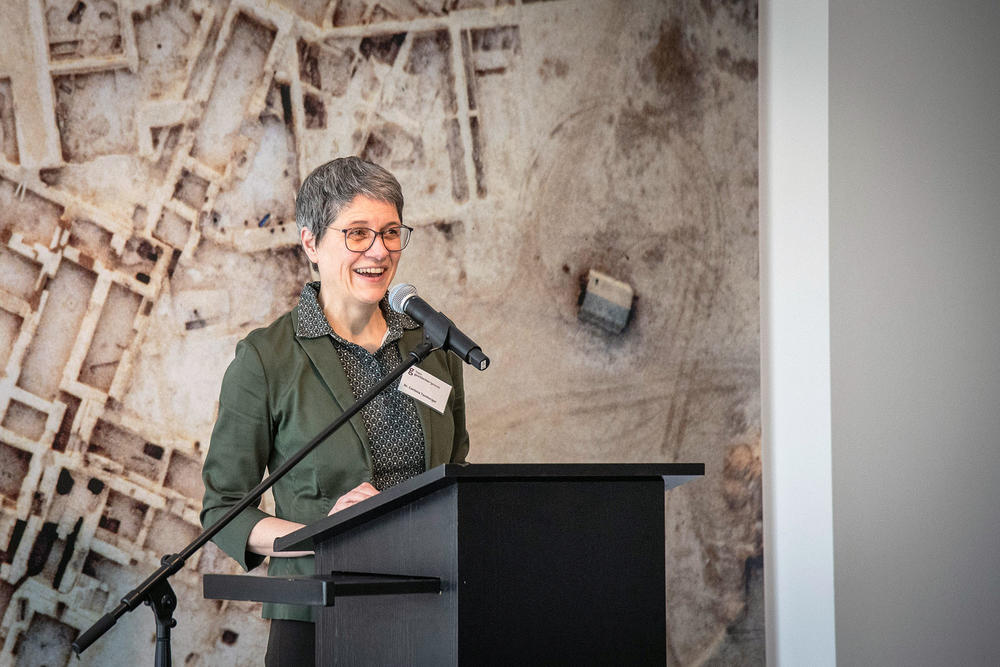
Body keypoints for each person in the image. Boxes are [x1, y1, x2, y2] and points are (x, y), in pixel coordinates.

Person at [200, 157, 470, 666]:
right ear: (310, 243)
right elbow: (224, 512)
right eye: (358, 233)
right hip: (319, 619)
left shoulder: (431, 347)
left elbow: (456, 470)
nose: (379, 250)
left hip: (431, 610)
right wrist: (325, 534)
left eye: (391, 232)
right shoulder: (266, 358)